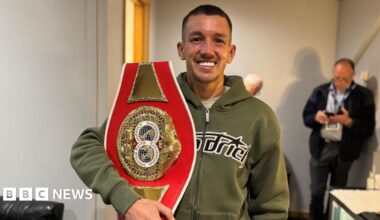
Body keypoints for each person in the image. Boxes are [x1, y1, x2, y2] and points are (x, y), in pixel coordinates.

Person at [71, 4, 289, 220]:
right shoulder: (154, 105)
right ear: (181, 49)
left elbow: (271, 207)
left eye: (218, 40)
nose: (207, 49)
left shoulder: (259, 116)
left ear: (230, 52)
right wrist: (126, 199)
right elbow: (85, 147)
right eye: (196, 39)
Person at [303, 58, 375, 220]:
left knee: (338, 194)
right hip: (321, 148)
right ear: (332, 74)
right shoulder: (320, 91)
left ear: (353, 76)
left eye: (345, 79)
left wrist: (348, 121)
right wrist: (316, 117)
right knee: (316, 192)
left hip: (345, 151)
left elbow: (368, 128)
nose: (339, 82)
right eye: (336, 77)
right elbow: (305, 117)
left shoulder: (364, 96)